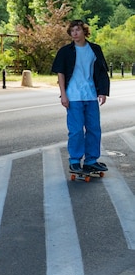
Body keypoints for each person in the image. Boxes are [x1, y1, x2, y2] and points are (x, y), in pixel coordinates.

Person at [51, 19, 110, 173]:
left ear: (84, 31)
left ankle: (91, 160)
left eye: (78, 30)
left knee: (94, 129)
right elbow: (60, 73)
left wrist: (103, 92)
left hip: (90, 95)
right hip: (73, 96)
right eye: (72, 31)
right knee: (76, 130)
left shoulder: (95, 49)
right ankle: (75, 161)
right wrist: (63, 95)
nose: (75, 33)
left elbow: (102, 72)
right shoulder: (65, 51)